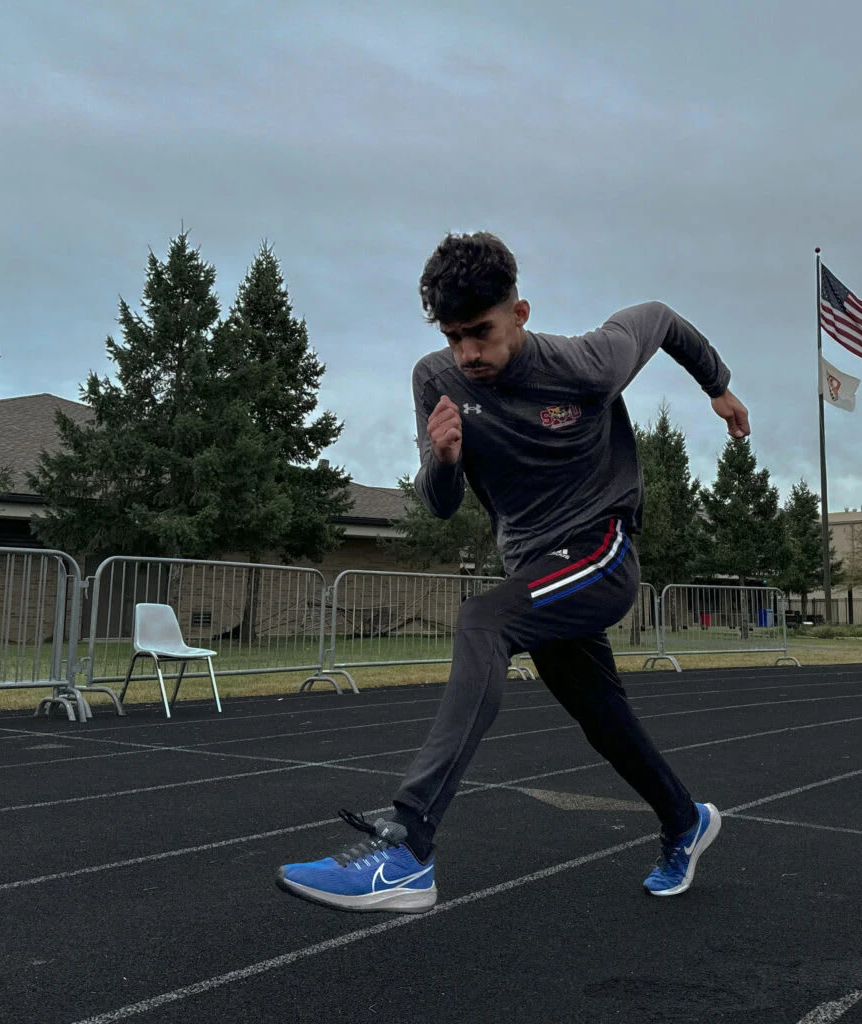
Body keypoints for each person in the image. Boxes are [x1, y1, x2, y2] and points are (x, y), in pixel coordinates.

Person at [277, 231, 750, 913]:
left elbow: (660, 317)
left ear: (519, 313)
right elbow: (440, 507)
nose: (468, 353)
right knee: (600, 715)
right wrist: (441, 459)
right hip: (536, 567)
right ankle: (685, 820)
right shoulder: (435, 379)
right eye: (453, 336)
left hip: (601, 551)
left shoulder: (589, 363)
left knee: (483, 618)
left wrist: (720, 388)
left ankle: (408, 845)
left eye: (481, 332)